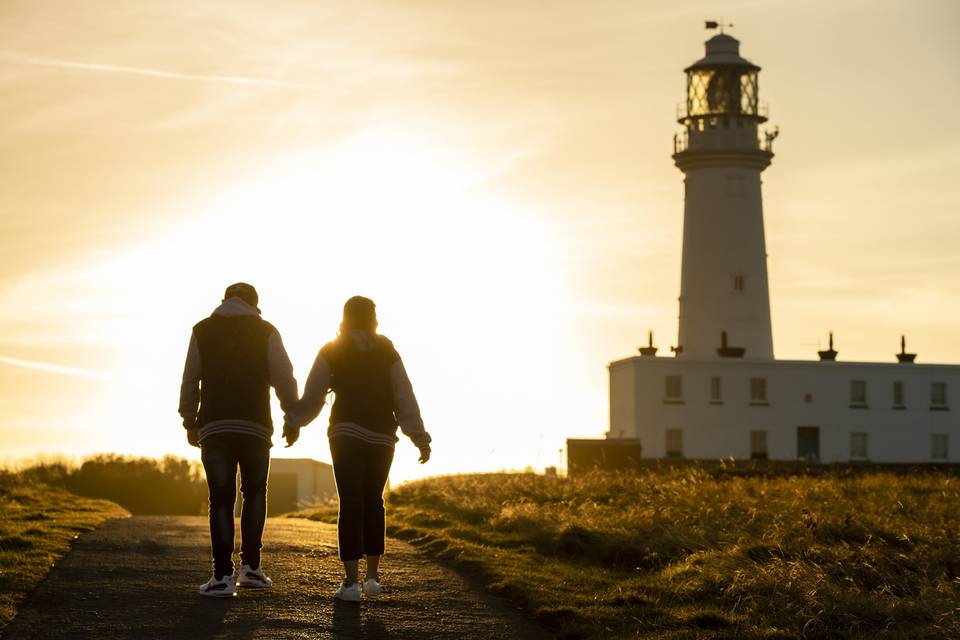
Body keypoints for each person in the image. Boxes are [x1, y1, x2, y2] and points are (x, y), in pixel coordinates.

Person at [286, 295, 431, 602]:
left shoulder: (333, 350)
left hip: (345, 433)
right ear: (373, 318)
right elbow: (405, 396)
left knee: (351, 502)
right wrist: (419, 436)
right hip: (382, 437)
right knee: (373, 501)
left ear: (345, 318)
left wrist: (295, 421)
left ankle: (350, 584)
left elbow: (313, 395)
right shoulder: (388, 352)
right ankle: (373, 578)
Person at [179, 282, 299, 597]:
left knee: (220, 498)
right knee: (255, 493)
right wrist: (293, 418)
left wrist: (189, 419)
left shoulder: (202, 330)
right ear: (254, 304)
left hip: (215, 426)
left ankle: (221, 577)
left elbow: (191, 376)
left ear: (225, 300)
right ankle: (251, 569)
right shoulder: (266, 331)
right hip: (255, 426)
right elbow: (284, 378)